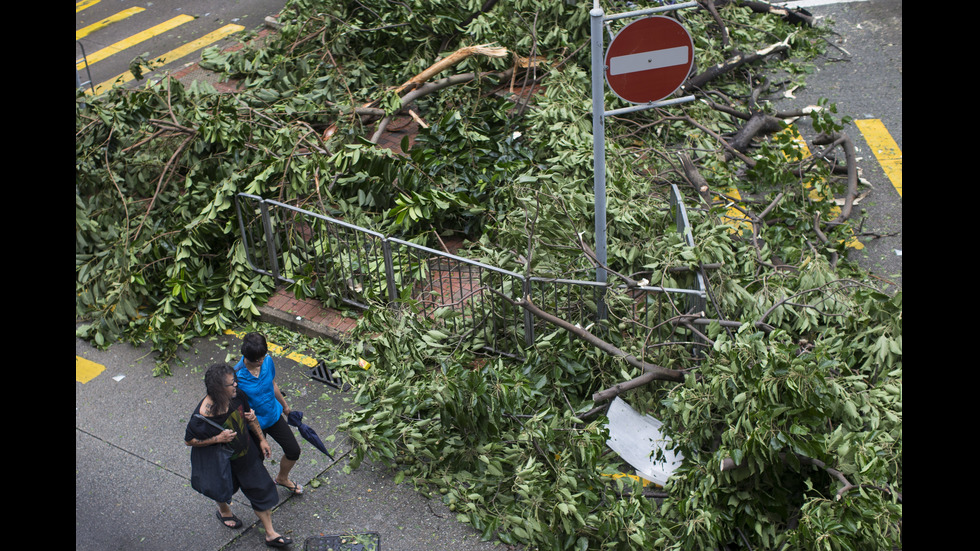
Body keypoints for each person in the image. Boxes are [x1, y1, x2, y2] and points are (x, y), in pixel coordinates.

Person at [184, 364, 293, 548]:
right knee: (223, 490)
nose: (236, 384)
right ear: (218, 389)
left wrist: (261, 440)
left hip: (246, 455)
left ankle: (270, 533)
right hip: (223, 463)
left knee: (262, 490)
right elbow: (189, 441)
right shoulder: (202, 415)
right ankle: (224, 511)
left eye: (235, 380)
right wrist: (218, 438)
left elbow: (250, 417)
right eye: (230, 383)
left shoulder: (238, 395)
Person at [235, 333, 304, 495]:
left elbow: (273, 384)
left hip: (273, 415)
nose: (260, 362)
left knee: (293, 450)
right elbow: (243, 410)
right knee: (256, 462)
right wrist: (261, 439)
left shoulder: (267, 361)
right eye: (256, 360)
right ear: (246, 357)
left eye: (262, 357)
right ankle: (261, 493)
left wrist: (285, 407)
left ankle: (282, 478)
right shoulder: (237, 376)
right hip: (255, 424)